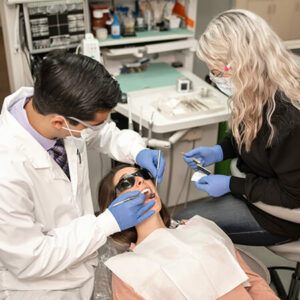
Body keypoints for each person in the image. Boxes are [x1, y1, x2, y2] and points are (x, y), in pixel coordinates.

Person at [0, 50, 165, 299]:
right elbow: (30, 259)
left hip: (84, 266)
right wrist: (107, 223)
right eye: (95, 124)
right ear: (59, 123)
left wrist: (136, 150)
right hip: (41, 289)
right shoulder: (7, 172)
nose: (140, 181)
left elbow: (101, 133)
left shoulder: (55, 104)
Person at [175, 9, 300, 247]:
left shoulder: (288, 116)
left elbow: (293, 193)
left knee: (185, 224)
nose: (216, 79)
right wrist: (220, 151)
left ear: (243, 64)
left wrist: (231, 185)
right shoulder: (256, 91)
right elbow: (254, 139)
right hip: (257, 186)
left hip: (285, 211)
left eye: (217, 72)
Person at [96, 164, 279, 300]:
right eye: (127, 182)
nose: (140, 180)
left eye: (142, 174)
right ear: (114, 206)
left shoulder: (200, 228)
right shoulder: (127, 269)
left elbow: (253, 281)